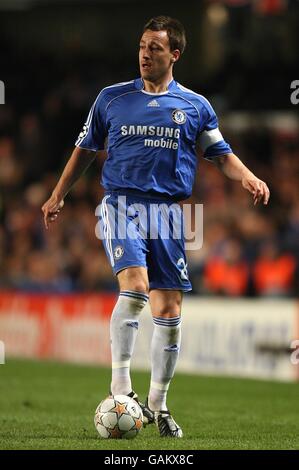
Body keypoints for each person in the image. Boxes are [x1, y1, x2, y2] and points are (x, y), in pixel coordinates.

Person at [42, 16, 270, 438]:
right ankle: (121, 391)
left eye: (156, 48)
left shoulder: (195, 106)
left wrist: (250, 176)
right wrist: (59, 194)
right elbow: (85, 149)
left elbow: (220, 154)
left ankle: (158, 407)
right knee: (135, 286)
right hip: (122, 204)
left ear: (175, 54)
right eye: (143, 46)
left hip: (168, 213)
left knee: (169, 311)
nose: (146, 54)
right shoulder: (111, 99)